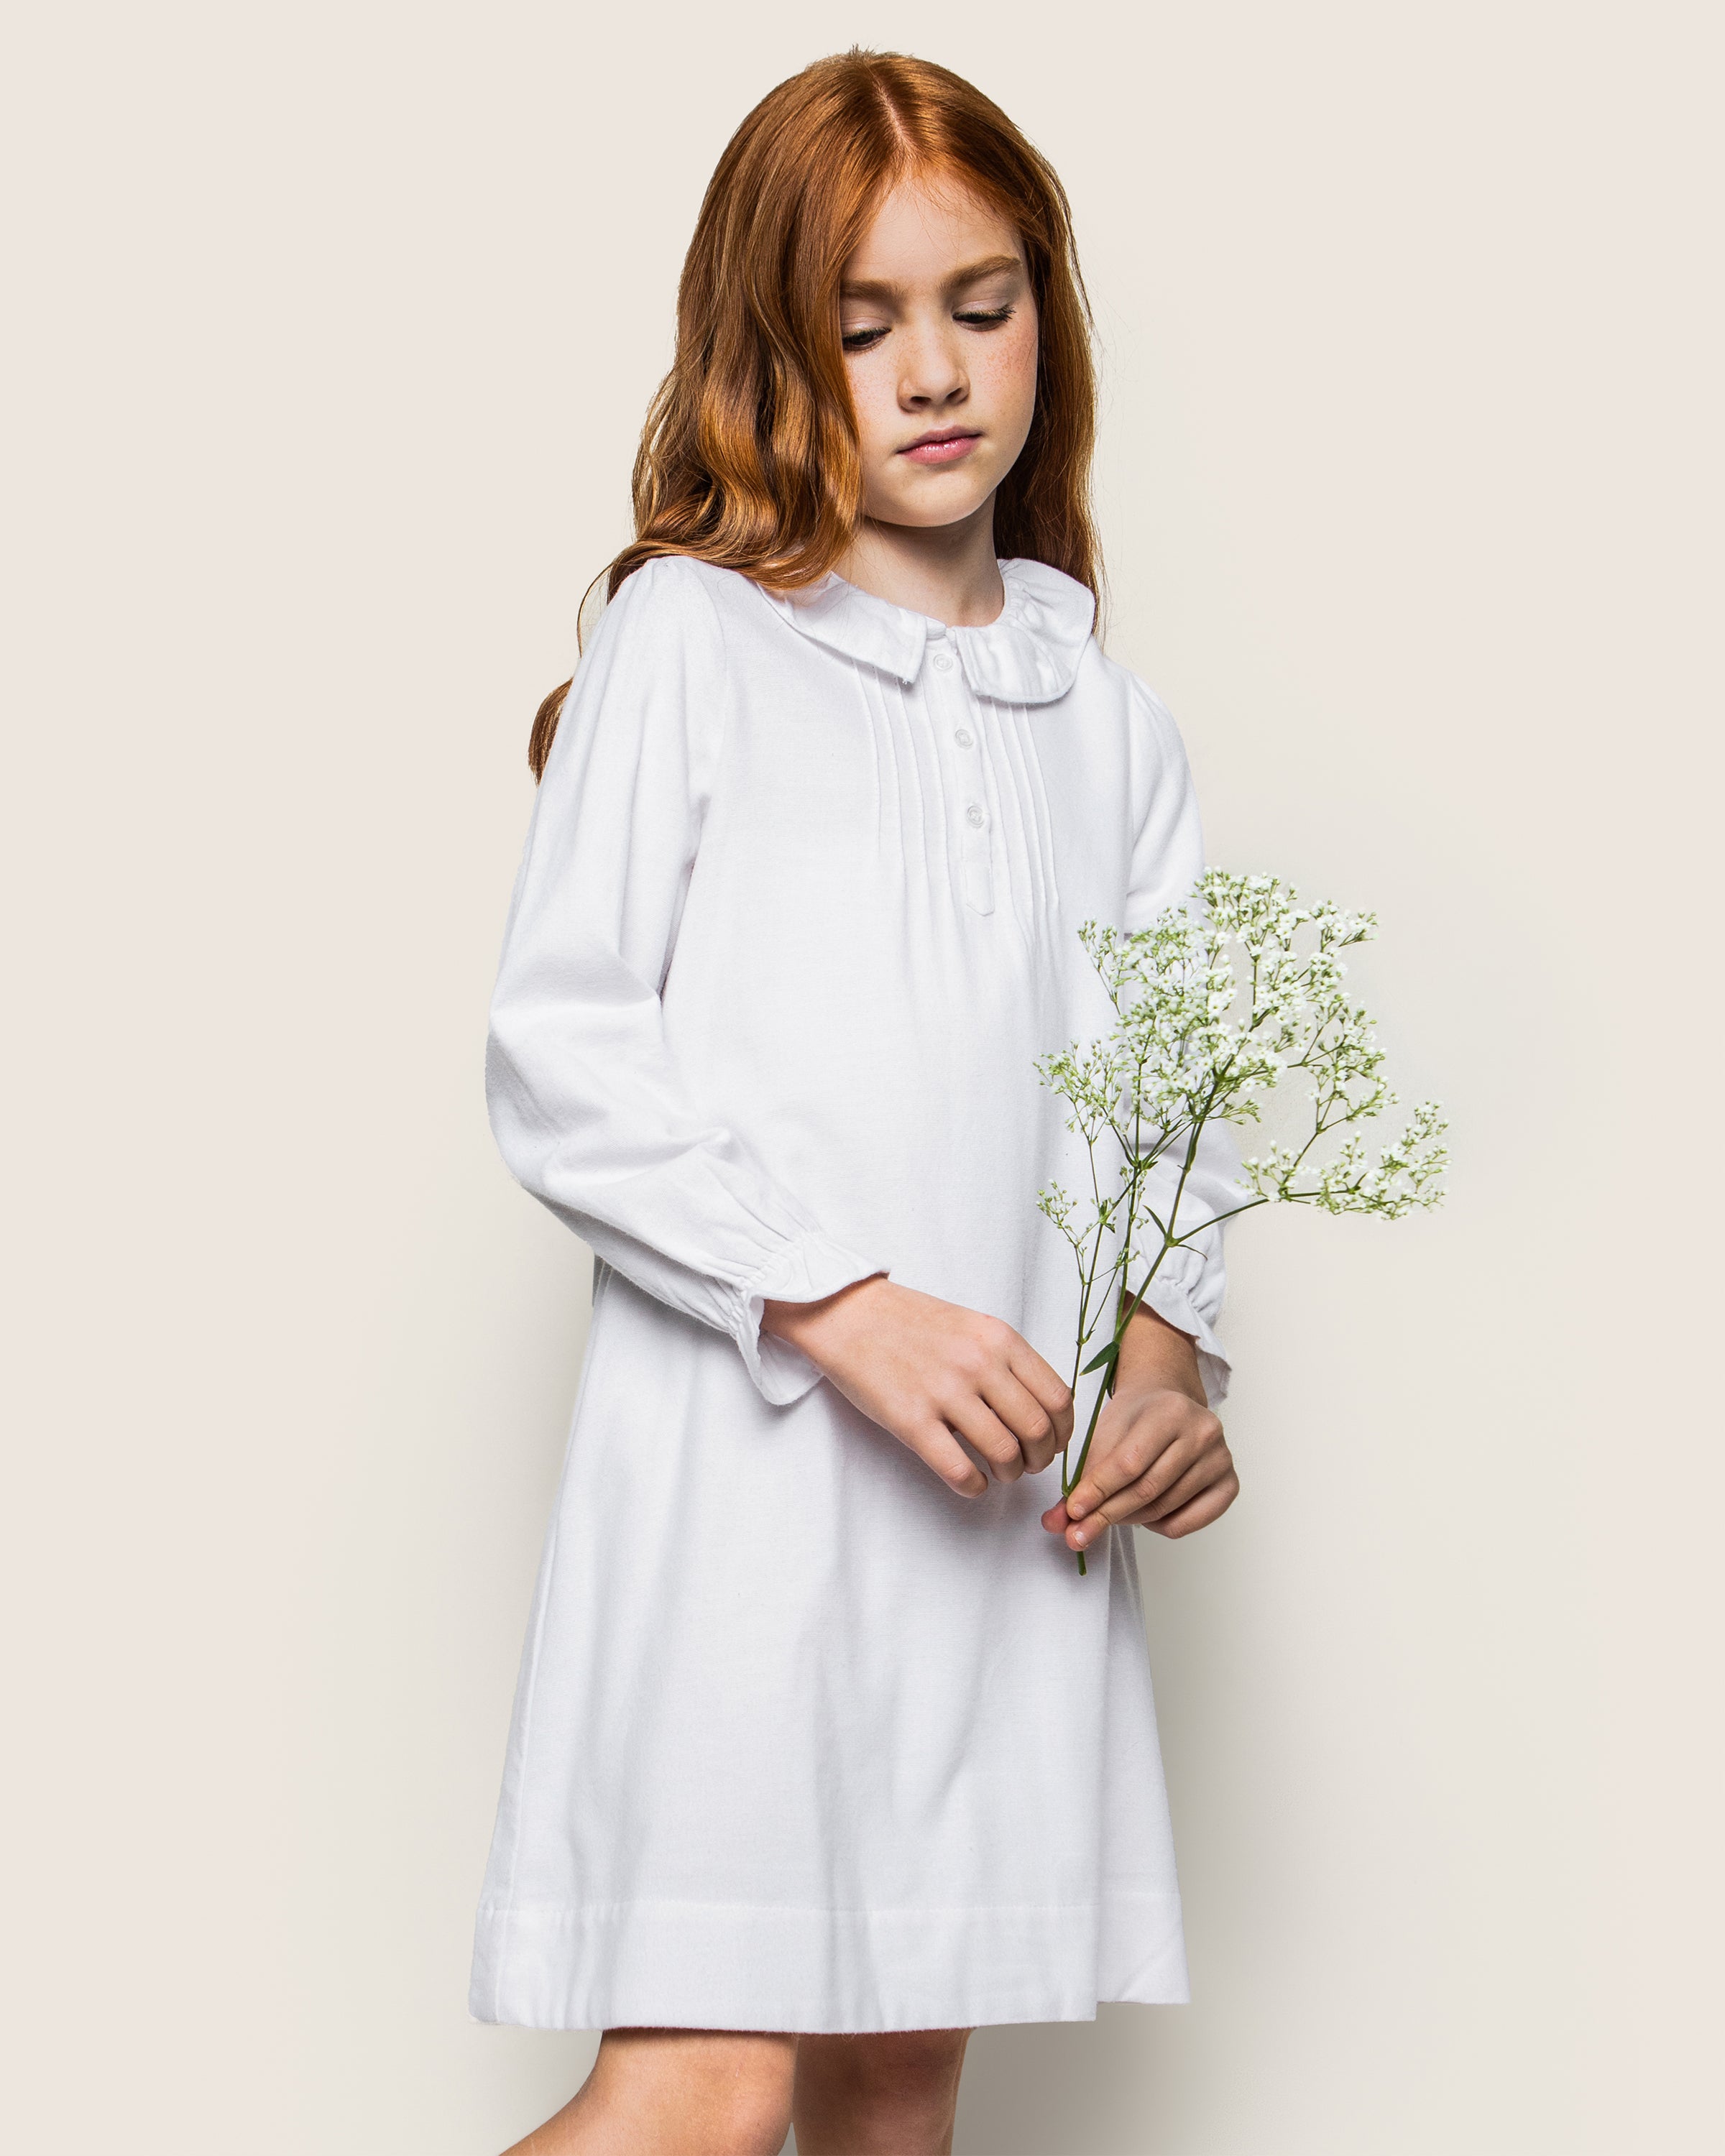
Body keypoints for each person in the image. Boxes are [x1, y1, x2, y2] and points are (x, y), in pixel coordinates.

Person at [477, 48, 1243, 2156]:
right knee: (704, 2096)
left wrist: (1164, 1385)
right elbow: (563, 1054)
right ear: (771, 351)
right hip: (755, 1481)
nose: (933, 372)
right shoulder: (693, 648)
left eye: (979, 306)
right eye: (862, 322)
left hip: (1008, 1524)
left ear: (1044, 324)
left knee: (896, 2105)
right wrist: (844, 1303)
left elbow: (1167, 1126)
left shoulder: (1114, 726)